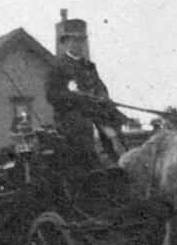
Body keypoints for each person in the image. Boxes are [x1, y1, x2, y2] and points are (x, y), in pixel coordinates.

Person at [45, 19, 129, 169]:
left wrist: (104, 98)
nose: (78, 44)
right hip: (72, 115)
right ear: (65, 43)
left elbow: (100, 87)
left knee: (118, 125)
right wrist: (74, 97)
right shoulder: (57, 67)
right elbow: (51, 95)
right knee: (88, 129)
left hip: (95, 112)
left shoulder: (89, 66)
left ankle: (124, 161)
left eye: (81, 40)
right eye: (74, 40)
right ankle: (101, 167)